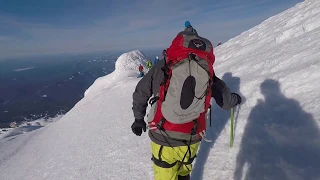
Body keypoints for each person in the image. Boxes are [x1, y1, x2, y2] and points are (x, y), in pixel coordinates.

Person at [131, 21, 242, 180]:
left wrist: (138, 119)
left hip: (163, 132)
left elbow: (141, 91)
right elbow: (225, 101)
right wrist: (235, 99)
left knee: (165, 174)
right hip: (192, 134)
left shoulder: (165, 65)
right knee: (184, 171)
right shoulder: (205, 67)